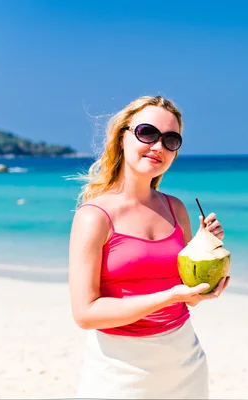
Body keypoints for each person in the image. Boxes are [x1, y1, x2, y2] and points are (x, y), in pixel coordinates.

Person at [68, 95, 230, 399]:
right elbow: (85, 313)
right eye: (147, 133)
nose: (158, 146)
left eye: (171, 139)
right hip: (119, 369)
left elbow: (187, 296)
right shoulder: (94, 217)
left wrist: (207, 249)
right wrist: (168, 296)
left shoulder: (176, 209)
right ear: (122, 137)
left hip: (184, 361)